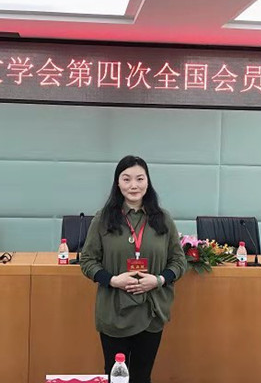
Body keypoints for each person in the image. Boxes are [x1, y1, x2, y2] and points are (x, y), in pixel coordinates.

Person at [80, 155, 187, 383]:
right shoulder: (103, 219)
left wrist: (158, 280)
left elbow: (179, 262)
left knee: (141, 376)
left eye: (140, 178)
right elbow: (87, 261)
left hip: (151, 310)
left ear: (148, 181)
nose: (133, 185)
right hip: (114, 311)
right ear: (118, 183)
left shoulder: (163, 219)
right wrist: (113, 280)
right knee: (116, 377)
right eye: (126, 179)